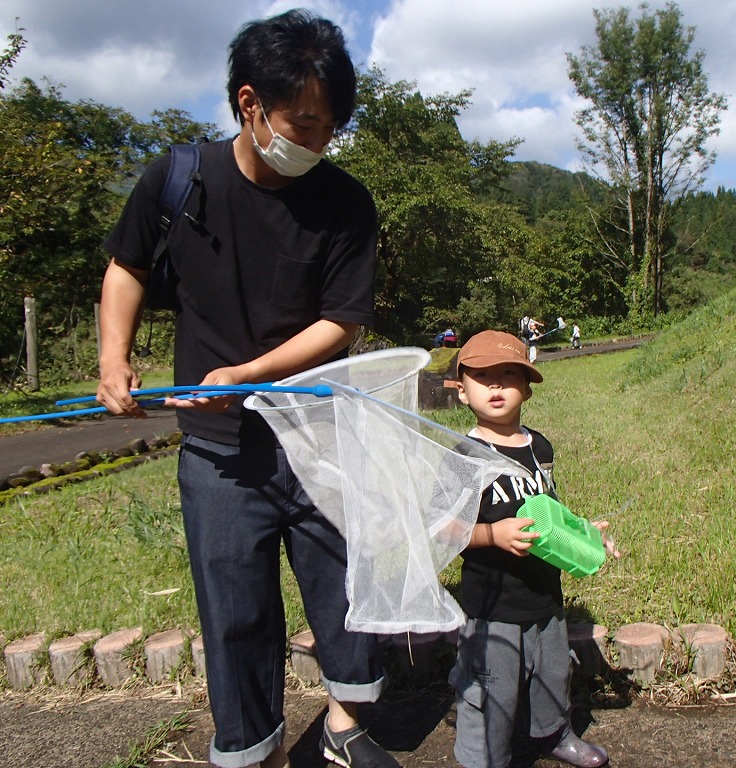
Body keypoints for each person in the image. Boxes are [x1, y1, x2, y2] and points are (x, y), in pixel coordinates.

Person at [96, 11, 399, 768]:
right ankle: (250, 751)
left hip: (319, 432)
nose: (317, 143)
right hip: (219, 451)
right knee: (234, 610)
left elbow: (341, 323)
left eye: (330, 129)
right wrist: (114, 357)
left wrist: (248, 373)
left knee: (343, 589)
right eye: (304, 122)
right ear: (250, 104)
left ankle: (341, 724)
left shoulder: (345, 205)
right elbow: (127, 266)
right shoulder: (178, 178)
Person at [445, 330, 619, 768]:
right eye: (483, 376)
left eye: (509, 375)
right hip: (494, 605)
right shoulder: (465, 455)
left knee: (552, 674)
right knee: (493, 689)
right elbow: (445, 529)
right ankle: (485, 756)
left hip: (545, 596)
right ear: (463, 391)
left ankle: (555, 733)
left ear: (528, 386)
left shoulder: (538, 446)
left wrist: (584, 532)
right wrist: (492, 535)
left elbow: (550, 510)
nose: (497, 385)